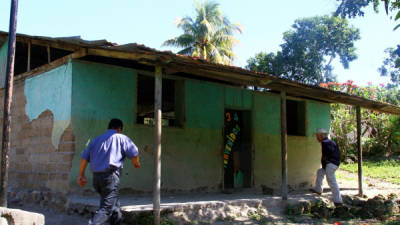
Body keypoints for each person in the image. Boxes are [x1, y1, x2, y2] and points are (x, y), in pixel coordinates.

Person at [77, 118, 141, 225]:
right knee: (106, 209)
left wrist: (81, 175)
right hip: (110, 178)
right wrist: (136, 163)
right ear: (119, 129)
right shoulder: (121, 138)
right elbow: (134, 154)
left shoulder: (96, 140)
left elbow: (84, 158)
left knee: (114, 206)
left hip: (96, 179)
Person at [310, 128, 343, 207]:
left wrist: (327, 162)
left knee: (331, 181)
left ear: (321, 136)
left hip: (331, 164)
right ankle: (318, 190)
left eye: (317, 136)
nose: (317, 138)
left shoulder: (325, 143)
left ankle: (338, 201)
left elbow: (328, 154)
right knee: (320, 172)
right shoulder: (329, 142)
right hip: (332, 163)